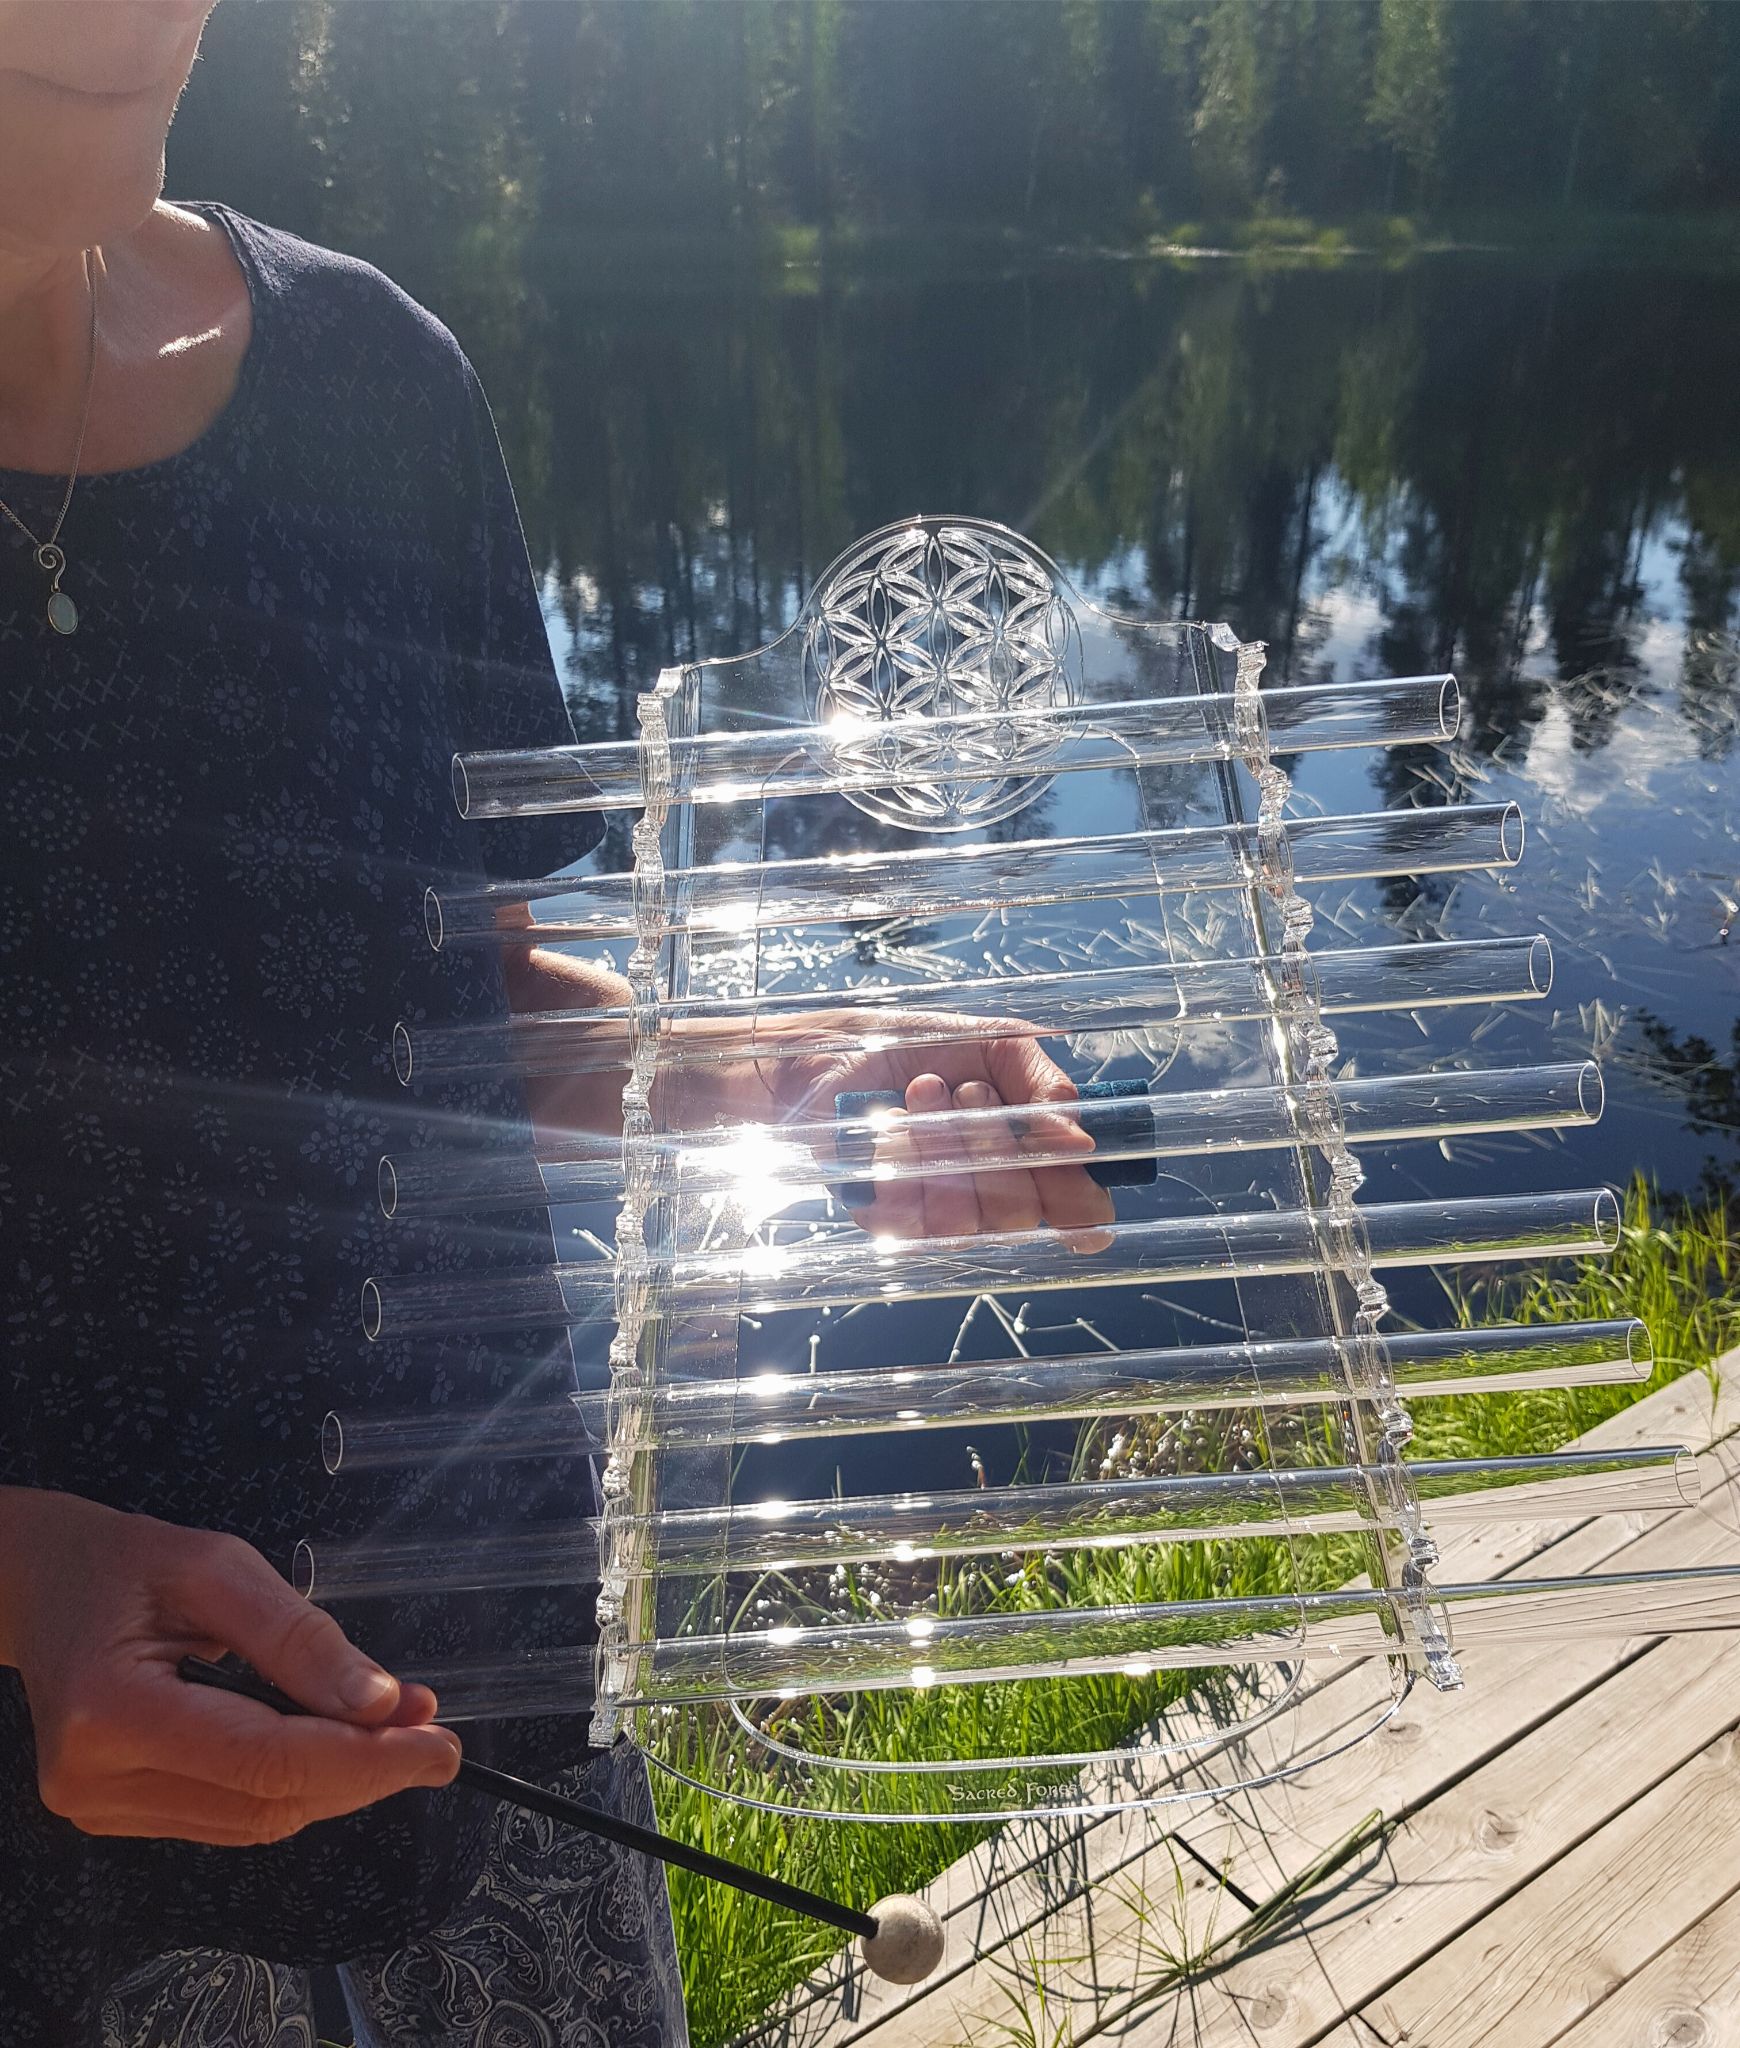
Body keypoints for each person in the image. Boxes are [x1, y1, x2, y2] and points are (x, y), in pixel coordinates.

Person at [0, 6, 1114, 2044]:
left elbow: (448, 997)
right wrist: (21, 1577)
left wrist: (787, 1070)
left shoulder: (367, 381)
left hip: (491, 1692)